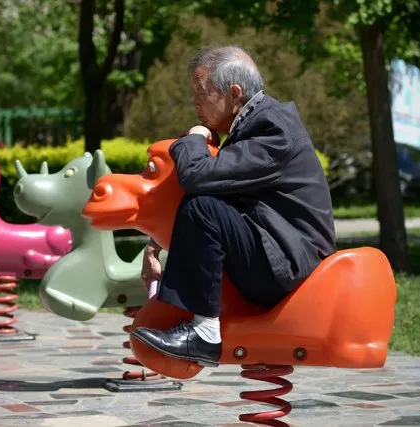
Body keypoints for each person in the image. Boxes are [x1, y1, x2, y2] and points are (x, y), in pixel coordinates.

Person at [132, 45, 336, 367]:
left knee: (204, 207)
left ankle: (204, 334)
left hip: (290, 265)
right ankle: (193, 324)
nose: (194, 102)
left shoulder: (273, 129)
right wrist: (153, 246)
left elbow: (197, 177)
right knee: (206, 205)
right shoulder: (254, 125)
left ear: (234, 92)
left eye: (201, 93)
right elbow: (221, 189)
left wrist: (194, 138)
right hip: (275, 252)